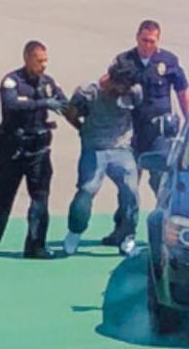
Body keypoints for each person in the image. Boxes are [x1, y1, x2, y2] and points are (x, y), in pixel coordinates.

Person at [101, 19, 189, 246]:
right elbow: (104, 84)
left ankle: (165, 232)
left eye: (152, 41)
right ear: (137, 37)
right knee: (128, 185)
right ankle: (122, 230)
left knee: (161, 182)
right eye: (144, 40)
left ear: (158, 40)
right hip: (130, 131)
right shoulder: (125, 60)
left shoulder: (168, 61)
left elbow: (182, 93)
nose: (147, 45)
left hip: (159, 133)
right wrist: (114, 81)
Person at [0, 40, 67, 259]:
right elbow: (12, 105)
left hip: (38, 150)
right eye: (39, 60)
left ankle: (35, 245)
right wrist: (43, 103)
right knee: (1, 196)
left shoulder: (47, 83)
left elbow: (63, 102)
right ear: (27, 58)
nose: (44, 65)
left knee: (40, 198)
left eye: (46, 60)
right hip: (12, 149)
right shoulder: (11, 82)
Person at [62, 59, 142, 256]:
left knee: (130, 191)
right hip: (94, 148)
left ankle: (127, 235)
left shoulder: (134, 92)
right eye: (120, 86)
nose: (123, 91)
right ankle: (75, 231)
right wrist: (82, 130)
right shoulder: (88, 92)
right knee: (87, 190)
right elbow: (70, 112)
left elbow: (139, 112)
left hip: (121, 148)